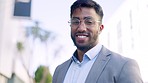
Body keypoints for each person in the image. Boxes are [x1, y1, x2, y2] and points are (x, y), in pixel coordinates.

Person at [52, 0, 143, 83]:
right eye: (76, 21)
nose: (81, 28)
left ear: (100, 28)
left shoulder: (124, 66)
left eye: (89, 22)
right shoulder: (59, 71)